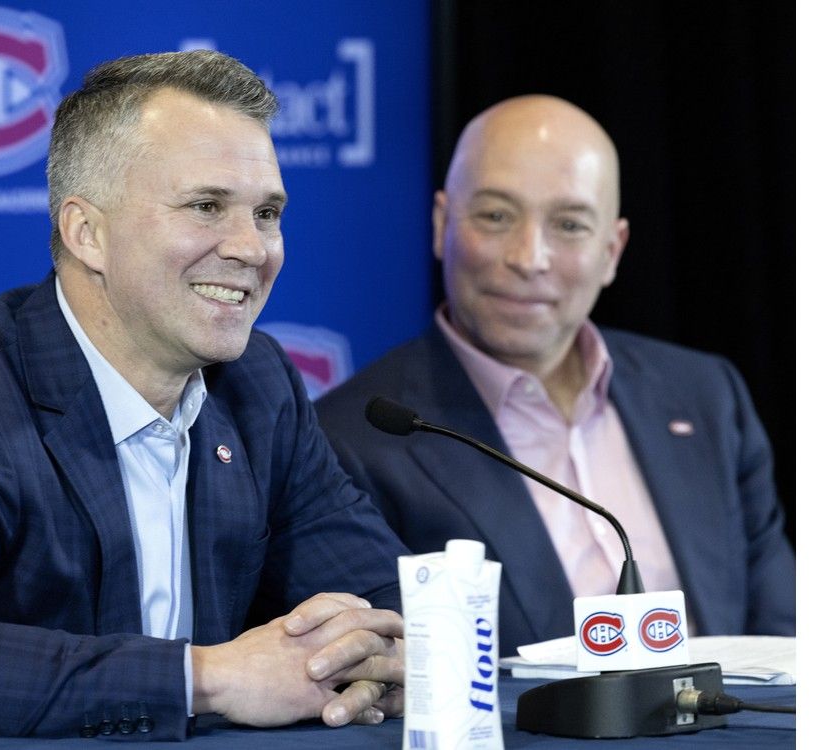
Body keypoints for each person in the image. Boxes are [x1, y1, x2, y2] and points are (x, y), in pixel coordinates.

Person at [0, 50, 408, 740]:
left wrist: (377, 658)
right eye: (206, 206)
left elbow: (385, 598)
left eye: (267, 213)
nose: (253, 248)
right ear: (86, 232)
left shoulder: (258, 384)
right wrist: (212, 676)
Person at [315, 94, 795, 657]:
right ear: (443, 223)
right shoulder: (354, 438)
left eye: (569, 224)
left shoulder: (706, 395)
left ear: (612, 251)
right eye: (496, 216)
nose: (529, 256)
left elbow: (782, 640)